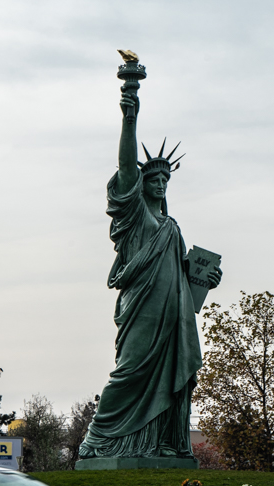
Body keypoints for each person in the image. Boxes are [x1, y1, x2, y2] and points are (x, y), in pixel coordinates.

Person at [77, 78, 221, 460]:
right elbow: (126, 166)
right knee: (129, 372)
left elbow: (184, 277)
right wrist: (130, 115)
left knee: (169, 378)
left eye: (164, 179)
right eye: (153, 179)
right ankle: (97, 438)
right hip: (142, 310)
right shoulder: (136, 218)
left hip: (173, 318)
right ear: (141, 186)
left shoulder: (172, 227)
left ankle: (159, 444)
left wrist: (207, 279)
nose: (159, 184)